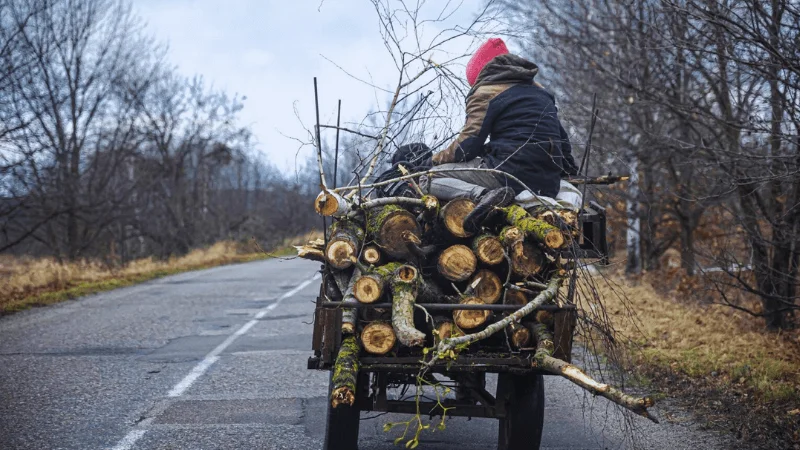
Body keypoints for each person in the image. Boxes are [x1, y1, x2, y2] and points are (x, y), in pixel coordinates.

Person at [426, 38, 579, 233]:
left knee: (429, 178)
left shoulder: (487, 91)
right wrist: (567, 174)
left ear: (481, 73)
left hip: (509, 175)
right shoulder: (541, 93)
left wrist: (434, 160)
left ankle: (483, 196)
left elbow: (467, 146)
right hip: (547, 183)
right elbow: (563, 144)